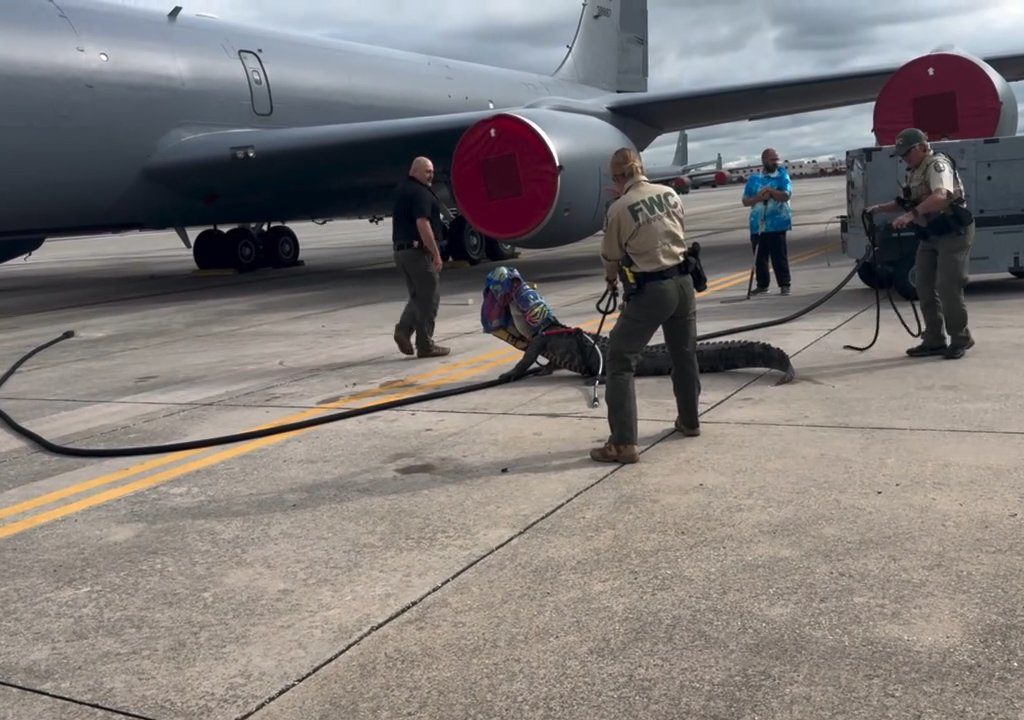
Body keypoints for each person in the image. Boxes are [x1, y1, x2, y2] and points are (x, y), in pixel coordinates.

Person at [591, 147, 701, 464]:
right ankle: (690, 421)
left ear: (618, 177)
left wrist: (611, 280)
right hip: (683, 284)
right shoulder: (670, 193)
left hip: (653, 288)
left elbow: (611, 256)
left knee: (620, 358)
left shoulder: (619, 207)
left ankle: (623, 442)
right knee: (683, 354)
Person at [866, 128, 975, 359]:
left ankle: (960, 338)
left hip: (952, 232)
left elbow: (941, 196)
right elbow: (906, 201)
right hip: (930, 233)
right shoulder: (913, 171)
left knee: (947, 286)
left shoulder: (937, 165)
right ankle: (934, 339)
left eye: (908, 152)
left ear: (923, 147)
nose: (905, 157)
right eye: (902, 154)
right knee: (923, 285)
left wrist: (910, 215)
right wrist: (880, 209)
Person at [391, 156, 449, 358]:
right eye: (427, 171)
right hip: (417, 253)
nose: (431, 175)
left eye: (432, 171)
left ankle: (404, 331)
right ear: (414, 171)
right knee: (430, 298)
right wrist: (436, 253)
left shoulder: (402, 190)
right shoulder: (420, 193)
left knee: (418, 296)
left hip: (401, 252)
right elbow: (422, 224)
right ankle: (425, 345)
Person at [741, 148, 793, 295]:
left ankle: (784, 284)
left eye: (777, 159)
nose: (776, 162)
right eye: (772, 160)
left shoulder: (782, 176)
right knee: (760, 257)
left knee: (779, 256)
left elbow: (786, 195)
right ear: (764, 160)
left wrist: (771, 192)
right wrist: (758, 198)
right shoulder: (754, 179)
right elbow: (745, 201)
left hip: (777, 223)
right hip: (758, 224)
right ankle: (762, 284)